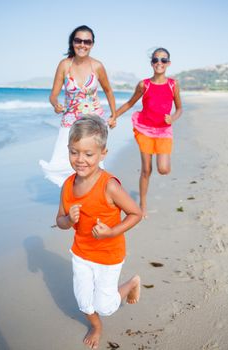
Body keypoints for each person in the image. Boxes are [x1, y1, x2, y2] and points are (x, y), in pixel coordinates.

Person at [56, 116, 142, 349]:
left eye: (88, 154)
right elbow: (60, 221)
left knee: (106, 306)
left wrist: (111, 232)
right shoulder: (67, 185)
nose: (80, 160)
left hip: (108, 255)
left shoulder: (109, 185)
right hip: (81, 254)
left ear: (102, 153)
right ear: (68, 150)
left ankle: (132, 282)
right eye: (74, 152)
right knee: (84, 302)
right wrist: (68, 219)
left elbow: (136, 213)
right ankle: (96, 326)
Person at [39, 25, 116, 187]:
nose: (82, 45)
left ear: (92, 44)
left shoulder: (97, 66)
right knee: (63, 160)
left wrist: (113, 115)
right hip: (70, 119)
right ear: (72, 42)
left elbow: (108, 91)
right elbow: (53, 95)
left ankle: (95, 196)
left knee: (93, 160)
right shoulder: (64, 65)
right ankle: (74, 194)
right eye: (78, 40)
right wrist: (56, 104)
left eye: (87, 41)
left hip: (94, 120)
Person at [114, 48, 182, 218]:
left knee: (164, 169)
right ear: (152, 63)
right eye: (156, 59)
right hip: (144, 129)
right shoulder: (144, 84)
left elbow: (180, 108)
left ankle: (164, 162)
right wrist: (114, 116)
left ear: (168, 63)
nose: (159, 63)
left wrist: (172, 118)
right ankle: (143, 204)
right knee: (146, 169)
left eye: (163, 60)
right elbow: (130, 103)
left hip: (164, 131)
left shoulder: (173, 84)